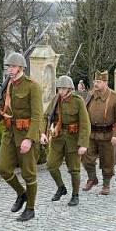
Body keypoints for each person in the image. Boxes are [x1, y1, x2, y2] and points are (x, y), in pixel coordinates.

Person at [0, 52, 43, 222]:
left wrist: (30, 138)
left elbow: (37, 115)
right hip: (9, 133)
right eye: (8, 66)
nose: (9, 69)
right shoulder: (8, 85)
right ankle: (21, 193)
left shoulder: (32, 86)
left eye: (12, 66)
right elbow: (4, 109)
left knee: (29, 174)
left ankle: (30, 208)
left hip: (26, 134)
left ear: (21, 68)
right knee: (2, 168)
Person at [42, 75, 89, 206]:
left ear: (70, 89)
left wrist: (83, 144)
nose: (61, 91)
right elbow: (46, 117)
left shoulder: (78, 101)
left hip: (73, 139)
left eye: (63, 88)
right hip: (58, 138)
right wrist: (42, 133)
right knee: (51, 165)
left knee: (74, 169)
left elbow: (85, 124)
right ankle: (61, 187)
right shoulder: (56, 100)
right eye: (59, 88)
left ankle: (75, 195)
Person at [82, 70, 116, 195]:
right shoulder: (90, 95)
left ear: (105, 82)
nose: (96, 84)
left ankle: (106, 185)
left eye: (99, 81)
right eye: (95, 81)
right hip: (91, 133)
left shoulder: (115, 97)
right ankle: (92, 178)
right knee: (86, 157)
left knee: (107, 161)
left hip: (107, 135)